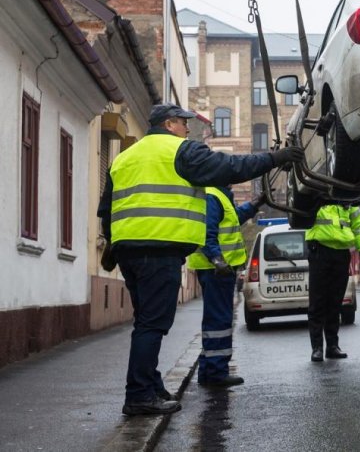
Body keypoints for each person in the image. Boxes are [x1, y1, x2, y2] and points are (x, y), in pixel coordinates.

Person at [98, 103, 304, 417]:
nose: (187, 129)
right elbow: (230, 167)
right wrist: (274, 159)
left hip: (130, 250)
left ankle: (149, 385)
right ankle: (139, 395)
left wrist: (112, 243)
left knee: (145, 322)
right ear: (169, 124)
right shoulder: (179, 151)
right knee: (153, 325)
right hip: (160, 247)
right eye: (184, 123)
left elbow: (106, 210)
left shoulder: (124, 158)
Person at [186, 185, 263, 389]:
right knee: (218, 321)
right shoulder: (213, 195)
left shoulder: (219, 195)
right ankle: (215, 372)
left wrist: (253, 206)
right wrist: (216, 258)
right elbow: (206, 232)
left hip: (219, 268)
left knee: (217, 320)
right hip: (217, 269)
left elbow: (233, 218)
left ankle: (209, 370)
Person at [306, 203, 360, 362]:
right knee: (317, 302)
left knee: (335, 302)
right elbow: (303, 212)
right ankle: (317, 348)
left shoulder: (348, 200)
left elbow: (358, 228)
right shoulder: (317, 196)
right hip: (319, 251)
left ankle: (332, 346)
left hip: (341, 254)